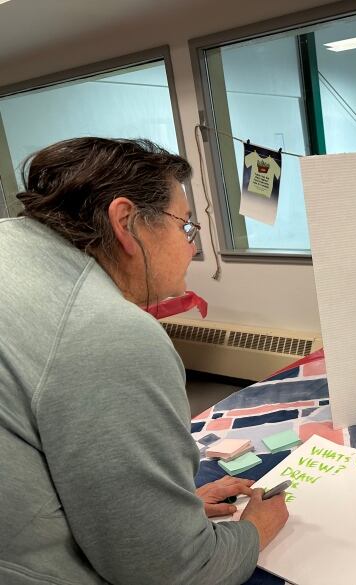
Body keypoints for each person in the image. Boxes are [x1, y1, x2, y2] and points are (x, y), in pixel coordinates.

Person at [0, 138, 289, 584]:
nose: (192, 248)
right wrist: (253, 532)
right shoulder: (105, 331)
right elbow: (172, 573)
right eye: (185, 227)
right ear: (126, 222)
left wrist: (161, 510)